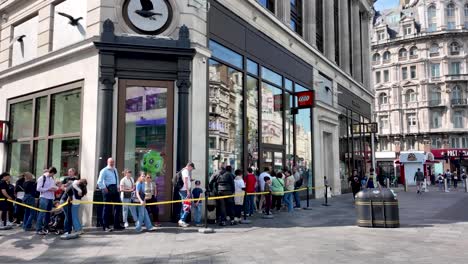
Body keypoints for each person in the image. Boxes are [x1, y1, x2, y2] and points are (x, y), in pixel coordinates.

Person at [97, 158, 124, 232]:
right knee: (107, 208)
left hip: (115, 189)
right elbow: (99, 181)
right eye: (110, 162)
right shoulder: (104, 170)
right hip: (107, 190)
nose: (112, 163)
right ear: (107, 162)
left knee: (118, 206)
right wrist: (104, 188)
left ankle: (116, 224)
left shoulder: (115, 169)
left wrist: (118, 187)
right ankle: (105, 226)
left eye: (113, 162)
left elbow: (117, 179)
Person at [36, 167, 58, 235]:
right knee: (42, 213)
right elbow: (38, 188)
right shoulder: (42, 178)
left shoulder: (52, 178)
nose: (53, 175)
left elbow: (54, 186)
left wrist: (55, 188)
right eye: (53, 174)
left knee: (48, 214)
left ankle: (46, 227)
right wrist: (48, 189)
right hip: (44, 197)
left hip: (50, 198)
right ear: (51, 172)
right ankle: (39, 229)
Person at [178, 162, 195, 228]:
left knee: (184, 205)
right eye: (192, 168)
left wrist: (190, 180)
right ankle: (182, 220)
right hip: (185, 190)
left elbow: (186, 180)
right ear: (189, 166)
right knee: (188, 205)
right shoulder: (185, 171)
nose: (191, 169)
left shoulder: (184, 170)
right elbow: (185, 181)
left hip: (184, 190)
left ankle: (182, 221)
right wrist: (188, 191)